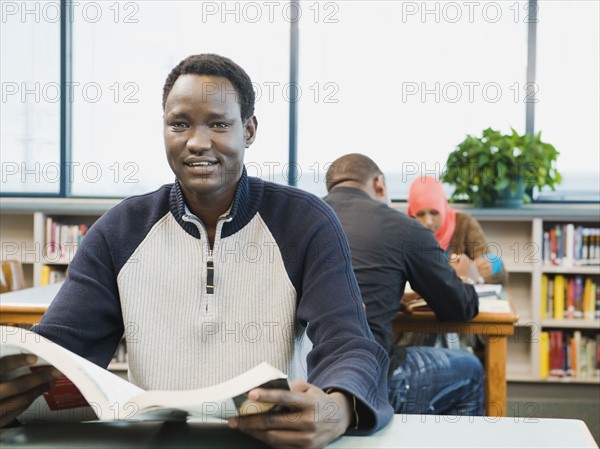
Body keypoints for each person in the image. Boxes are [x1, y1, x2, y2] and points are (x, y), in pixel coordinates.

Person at [0, 54, 393, 448]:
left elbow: (349, 344)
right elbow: (58, 350)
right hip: (156, 440)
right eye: (180, 124)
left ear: (250, 130)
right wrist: (13, 386)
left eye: (219, 124)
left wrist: (339, 406)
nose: (197, 142)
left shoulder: (306, 223)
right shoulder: (119, 231)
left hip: (269, 438)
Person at [323, 153, 484, 416]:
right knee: (470, 369)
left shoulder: (304, 218)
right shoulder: (404, 228)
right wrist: (464, 277)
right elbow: (459, 308)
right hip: (367, 379)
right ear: (379, 185)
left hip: (302, 373)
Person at [407, 175, 507, 285]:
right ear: (412, 214)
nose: (428, 221)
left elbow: (497, 273)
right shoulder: (405, 231)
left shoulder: (464, 224)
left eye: (434, 213)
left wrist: (492, 266)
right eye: (420, 214)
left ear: (443, 207)